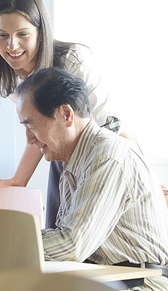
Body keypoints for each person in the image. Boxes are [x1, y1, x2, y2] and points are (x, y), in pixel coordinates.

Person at [0, 0, 130, 228]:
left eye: (22, 34)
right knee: (56, 232)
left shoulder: (71, 61)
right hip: (63, 157)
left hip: (106, 154)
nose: (12, 46)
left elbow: (112, 127)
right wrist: (19, 180)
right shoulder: (11, 78)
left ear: (41, 32)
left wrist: (141, 173)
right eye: (2, 36)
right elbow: (37, 131)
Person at [15, 67, 168, 291]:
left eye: (31, 125)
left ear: (66, 115)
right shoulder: (74, 161)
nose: (29, 139)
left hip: (142, 282)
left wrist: (7, 242)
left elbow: (70, 245)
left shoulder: (107, 156)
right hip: (108, 278)